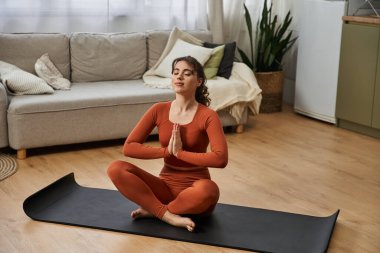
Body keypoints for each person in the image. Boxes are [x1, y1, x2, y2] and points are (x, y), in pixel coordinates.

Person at [107, 56, 228, 232]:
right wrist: (167, 152)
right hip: (164, 189)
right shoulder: (158, 110)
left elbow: (220, 158)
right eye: (176, 73)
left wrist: (180, 153)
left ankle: (156, 211)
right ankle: (167, 215)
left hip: (195, 192)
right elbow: (129, 147)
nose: (179, 77)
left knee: (209, 190)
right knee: (115, 168)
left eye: (187, 74)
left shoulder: (208, 116)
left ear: (198, 81)